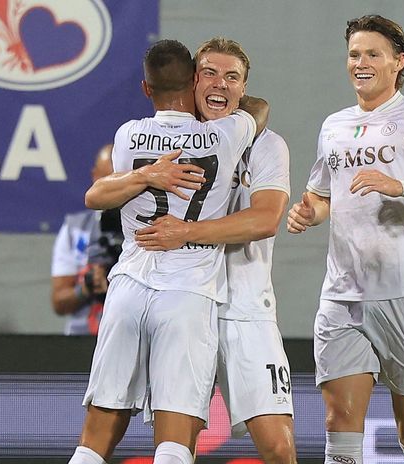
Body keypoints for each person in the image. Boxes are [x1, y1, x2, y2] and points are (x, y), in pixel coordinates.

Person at [286, 15, 404, 464]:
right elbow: (322, 194)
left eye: (373, 54)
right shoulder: (334, 125)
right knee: (339, 429)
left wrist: (402, 186)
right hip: (342, 295)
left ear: (398, 62)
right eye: (354, 54)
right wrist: (308, 211)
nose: (361, 63)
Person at [67, 39, 267, 464]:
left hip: (127, 288)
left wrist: (147, 174)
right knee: (175, 442)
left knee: (95, 438)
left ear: (145, 88)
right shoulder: (225, 133)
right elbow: (259, 110)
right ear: (195, 80)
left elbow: (99, 193)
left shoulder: (128, 134)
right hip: (187, 291)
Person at [131, 37, 297, 463]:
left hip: (245, 308)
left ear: (243, 88)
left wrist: (186, 232)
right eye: (209, 73)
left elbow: (265, 220)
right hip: (183, 302)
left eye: (232, 77)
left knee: (278, 446)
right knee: (175, 444)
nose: (220, 84)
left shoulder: (266, 144)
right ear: (191, 82)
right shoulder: (167, 142)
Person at [50, 144, 114, 335]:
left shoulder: (150, 226)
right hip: (82, 338)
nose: (115, 187)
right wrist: (86, 286)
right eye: (109, 178)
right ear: (96, 177)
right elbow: (59, 303)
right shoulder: (74, 229)